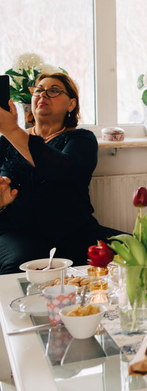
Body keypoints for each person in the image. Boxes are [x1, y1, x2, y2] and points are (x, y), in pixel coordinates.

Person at [0, 72, 122, 274]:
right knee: (22, 263)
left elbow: (60, 170)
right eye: (38, 90)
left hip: (74, 232)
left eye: (53, 91)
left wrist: (11, 129)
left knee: (144, 248)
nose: (43, 95)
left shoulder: (81, 139)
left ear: (71, 104)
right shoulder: (5, 143)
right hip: (18, 233)